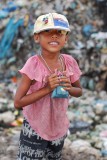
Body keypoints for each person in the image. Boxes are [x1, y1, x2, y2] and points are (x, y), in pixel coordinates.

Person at [14, 12, 82, 160]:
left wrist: (68, 87)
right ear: (37, 37)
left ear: (66, 38)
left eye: (60, 32)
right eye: (47, 32)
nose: (54, 36)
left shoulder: (69, 62)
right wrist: (47, 89)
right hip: (34, 127)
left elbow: (79, 91)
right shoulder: (33, 64)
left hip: (59, 127)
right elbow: (18, 102)